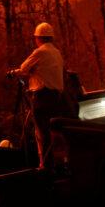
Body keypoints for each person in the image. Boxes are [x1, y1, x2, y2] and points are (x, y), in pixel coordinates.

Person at [9, 22, 67, 170]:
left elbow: (24, 68)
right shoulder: (57, 53)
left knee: (42, 132)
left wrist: (13, 73)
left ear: (39, 38)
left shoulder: (40, 52)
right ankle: (58, 162)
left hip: (42, 97)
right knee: (54, 132)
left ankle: (45, 165)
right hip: (56, 99)